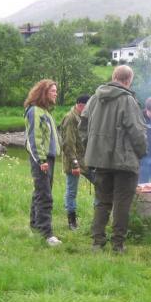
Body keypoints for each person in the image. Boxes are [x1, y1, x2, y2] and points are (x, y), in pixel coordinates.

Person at [79, 65, 147, 253]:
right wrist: (141, 153)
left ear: (113, 76)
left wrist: (91, 149)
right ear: (128, 80)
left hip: (99, 161)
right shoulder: (128, 100)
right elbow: (137, 133)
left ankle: (97, 243)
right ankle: (118, 245)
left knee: (102, 202)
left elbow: (82, 127)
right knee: (122, 204)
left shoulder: (93, 99)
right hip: (124, 162)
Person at [24, 79, 62, 246]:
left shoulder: (45, 112)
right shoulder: (34, 111)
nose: (56, 93)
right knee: (45, 195)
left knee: (40, 193)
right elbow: (34, 139)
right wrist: (41, 160)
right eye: (53, 91)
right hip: (42, 160)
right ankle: (47, 234)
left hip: (48, 159)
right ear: (44, 92)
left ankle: (35, 227)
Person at [60, 94, 90, 231]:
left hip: (86, 160)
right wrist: (74, 164)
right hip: (74, 161)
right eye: (88, 105)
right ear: (80, 105)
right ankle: (72, 222)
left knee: (100, 184)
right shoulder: (70, 118)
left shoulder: (83, 118)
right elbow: (68, 143)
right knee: (72, 192)